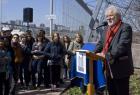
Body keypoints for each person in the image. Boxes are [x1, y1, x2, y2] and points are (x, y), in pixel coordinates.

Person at [94, 5, 134, 95]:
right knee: (112, 92)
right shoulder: (106, 29)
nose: (108, 18)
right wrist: (94, 53)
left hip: (121, 69)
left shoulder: (125, 28)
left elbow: (122, 46)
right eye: (107, 16)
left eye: (111, 15)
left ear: (118, 16)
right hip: (108, 68)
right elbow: (101, 43)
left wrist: (106, 55)